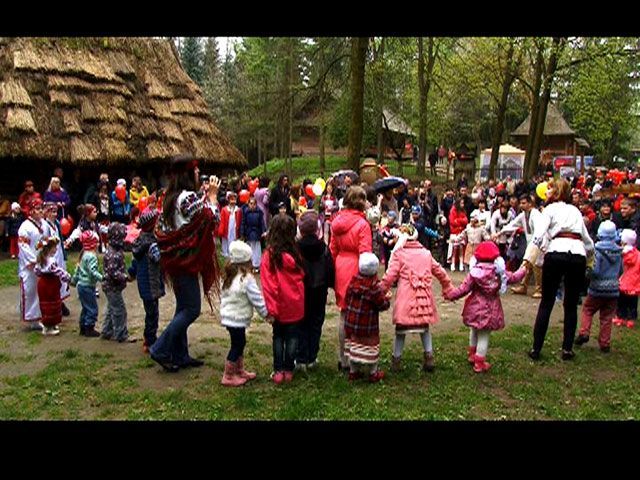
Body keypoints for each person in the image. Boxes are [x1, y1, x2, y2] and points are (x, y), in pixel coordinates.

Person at [151, 155, 220, 372]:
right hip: (186, 261)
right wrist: (213, 197)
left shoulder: (172, 197)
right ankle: (161, 348)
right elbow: (211, 219)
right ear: (188, 174)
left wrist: (205, 196)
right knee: (191, 309)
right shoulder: (188, 197)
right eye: (197, 172)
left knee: (182, 307)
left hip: (176, 260)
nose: (200, 175)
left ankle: (180, 354)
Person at [528, 178, 595, 361]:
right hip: (577, 255)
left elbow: (539, 234)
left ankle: (536, 348)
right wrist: (589, 258)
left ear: (557, 192)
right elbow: (587, 240)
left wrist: (530, 258)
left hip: (556, 252)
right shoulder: (575, 211)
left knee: (547, 302)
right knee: (571, 304)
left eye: (550, 189)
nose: (546, 192)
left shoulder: (549, 210)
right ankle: (567, 349)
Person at [381, 224, 454, 373]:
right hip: (423, 300)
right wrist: (447, 286)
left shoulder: (399, 254)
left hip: (405, 299)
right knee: (424, 328)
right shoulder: (426, 253)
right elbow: (439, 271)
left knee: (401, 330)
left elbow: (389, 276)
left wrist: (381, 290)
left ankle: (396, 360)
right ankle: (429, 357)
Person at [445, 241, 527, 372]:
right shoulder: (499, 273)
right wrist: (524, 269)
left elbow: (463, 289)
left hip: (474, 307)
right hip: (490, 308)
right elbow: (514, 277)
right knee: (484, 335)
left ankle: (472, 354)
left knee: (474, 330)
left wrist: (451, 295)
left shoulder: (474, 273)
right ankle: (479, 362)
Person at [329, 186, 372, 372]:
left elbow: (332, 249)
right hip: (357, 267)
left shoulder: (336, 222)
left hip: (340, 266)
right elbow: (365, 253)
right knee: (358, 314)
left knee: (343, 313)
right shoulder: (363, 225)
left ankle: (343, 358)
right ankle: (356, 356)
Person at [260, 214, 305, 384]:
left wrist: (271, 309)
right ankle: (288, 370)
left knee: (278, 337)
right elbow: (301, 275)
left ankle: (278, 370)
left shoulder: (269, 257)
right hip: (295, 304)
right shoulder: (296, 254)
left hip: (278, 305)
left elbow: (269, 285)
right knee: (293, 337)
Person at [220, 241, 270, 386]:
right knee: (237, 345)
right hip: (237, 319)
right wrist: (266, 314)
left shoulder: (230, 277)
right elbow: (257, 299)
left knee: (239, 343)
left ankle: (238, 370)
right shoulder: (247, 280)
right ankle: (228, 375)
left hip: (229, 318)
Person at [295, 211, 335, 371]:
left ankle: (301, 357)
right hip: (319, 290)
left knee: (301, 323)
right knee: (316, 323)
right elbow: (330, 269)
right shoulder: (323, 248)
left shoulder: (296, 249)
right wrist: (330, 283)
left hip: (301, 291)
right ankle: (312, 357)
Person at [574, 221, 621, 352]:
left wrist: (587, 273)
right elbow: (621, 270)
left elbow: (596, 271)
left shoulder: (597, 251)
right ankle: (605, 343)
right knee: (607, 317)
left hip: (597, 288)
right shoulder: (618, 252)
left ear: (600, 234)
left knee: (588, 309)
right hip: (613, 290)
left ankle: (584, 332)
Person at [344, 252, 389, 383]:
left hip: (352, 322)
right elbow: (381, 304)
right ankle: (373, 372)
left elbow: (347, 298)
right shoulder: (373, 287)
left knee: (354, 345)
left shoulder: (353, 282)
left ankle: (353, 371)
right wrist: (386, 300)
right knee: (370, 346)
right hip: (367, 325)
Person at [128, 208, 165, 354]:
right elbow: (158, 259)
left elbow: (135, 263)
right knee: (153, 314)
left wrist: (131, 273)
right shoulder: (152, 244)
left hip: (143, 284)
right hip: (151, 283)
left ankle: (148, 338)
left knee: (149, 311)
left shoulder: (139, 242)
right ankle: (150, 341)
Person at [100, 223, 135, 343]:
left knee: (111, 309)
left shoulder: (114, 250)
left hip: (111, 287)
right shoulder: (112, 254)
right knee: (119, 311)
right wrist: (126, 277)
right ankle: (121, 334)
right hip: (112, 287)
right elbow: (113, 273)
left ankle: (106, 331)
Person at [18, 198, 45, 331]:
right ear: (32, 211)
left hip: (40, 262)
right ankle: (29, 317)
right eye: (39, 209)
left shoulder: (42, 224)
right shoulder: (25, 227)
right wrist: (32, 260)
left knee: (38, 290)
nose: (41, 212)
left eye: (41, 209)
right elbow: (23, 245)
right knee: (29, 289)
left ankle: (36, 317)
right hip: (29, 264)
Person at [35, 236, 71, 336]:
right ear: (50, 248)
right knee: (51, 304)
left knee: (46, 304)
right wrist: (67, 277)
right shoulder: (51, 261)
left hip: (43, 284)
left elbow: (36, 271)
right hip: (50, 284)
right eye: (55, 247)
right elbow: (58, 271)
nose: (56, 249)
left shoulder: (41, 260)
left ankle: (50, 324)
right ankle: (48, 327)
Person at [70, 230, 103, 337]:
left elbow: (78, 269)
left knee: (85, 307)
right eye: (96, 242)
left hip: (81, 285)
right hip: (88, 285)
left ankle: (83, 327)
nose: (98, 244)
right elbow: (92, 272)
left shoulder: (83, 255)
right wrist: (102, 278)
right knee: (92, 308)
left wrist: (74, 281)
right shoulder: (91, 257)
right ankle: (89, 327)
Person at [42, 202, 71, 316]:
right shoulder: (45, 226)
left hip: (59, 254)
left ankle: (60, 301)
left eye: (55, 212)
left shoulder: (57, 224)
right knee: (54, 279)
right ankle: (55, 304)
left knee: (61, 279)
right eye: (52, 212)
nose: (54, 214)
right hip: (51, 256)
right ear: (47, 213)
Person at [614, 229, 640, 328]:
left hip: (623, 281)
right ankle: (631, 319)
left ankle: (620, 317)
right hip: (634, 283)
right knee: (633, 302)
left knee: (622, 301)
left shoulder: (621, 253)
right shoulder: (638, 254)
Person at [240, 197, 265, 272]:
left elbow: (262, 223)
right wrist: (242, 233)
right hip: (249, 232)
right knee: (249, 249)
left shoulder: (259, 212)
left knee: (257, 249)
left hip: (257, 233)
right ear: (248, 204)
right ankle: (250, 264)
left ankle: (257, 265)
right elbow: (243, 223)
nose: (252, 205)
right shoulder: (246, 212)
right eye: (251, 204)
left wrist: (263, 231)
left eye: (254, 204)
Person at [218, 192, 242, 258]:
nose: (233, 201)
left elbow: (239, 220)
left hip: (234, 227)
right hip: (227, 227)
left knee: (234, 238)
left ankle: (233, 251)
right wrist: (221, 229)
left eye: (234, 200)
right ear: (228, 200)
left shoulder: (238, 210)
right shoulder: (224, 209)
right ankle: (225, 252)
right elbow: (222, 220)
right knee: (226, 239)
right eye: (231, 199)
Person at [448, 198, 468, 272]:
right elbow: (452, 222)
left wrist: (459, 220)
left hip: (461, 232)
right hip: (454, 232)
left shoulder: (463, 212)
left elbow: (465, 221)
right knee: (454, 248)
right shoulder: (453, 211)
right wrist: (460, 222)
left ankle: (461, 264)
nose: (462, 205)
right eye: (461, 203)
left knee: (461, 248)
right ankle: (452, 263)